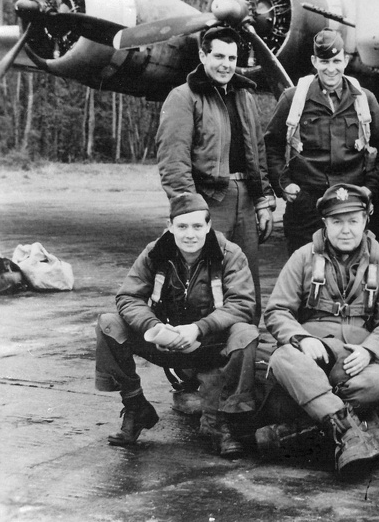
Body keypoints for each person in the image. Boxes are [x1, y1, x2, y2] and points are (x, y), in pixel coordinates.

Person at [94, 193, 259, 458]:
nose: (189, 234)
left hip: (209, 344)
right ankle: (136, 407)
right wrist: (153, 327)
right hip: (164, 340)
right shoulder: (155, 252)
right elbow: (128, 296)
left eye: (197, 226)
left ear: (208, 226)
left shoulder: (230, 254)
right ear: (170, 226)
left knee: (246, 334)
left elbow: (243, 304)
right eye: (182, 227)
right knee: (109, 324)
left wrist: (198, 328)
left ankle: (226, 423)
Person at [262, 184, 379, 478]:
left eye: (353, 221)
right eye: (337, 221)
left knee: (378, 384)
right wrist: (301, 338)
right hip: (308, 360)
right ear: (324, 224)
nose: (346, 230)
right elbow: (277, 311)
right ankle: (356, 431)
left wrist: (369, 350)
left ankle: (301, 431)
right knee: (281, 358)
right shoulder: (303, 258)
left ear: (366, 220)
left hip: (352, 363)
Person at [156, 26, 275, 321]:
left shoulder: (245, 96)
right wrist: (190, 212)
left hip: (245, 198)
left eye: (232, 57)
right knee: (205, 279)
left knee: (245, 279)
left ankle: (247, 347)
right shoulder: (183, 97)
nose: (226, 64)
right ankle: (204, 351)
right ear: (202, 55)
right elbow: (173, 162)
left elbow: (256, 152)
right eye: (219, 55)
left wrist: (263, 201)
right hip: (207, 201)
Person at [265, 28, 379, 254]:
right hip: (307, 205)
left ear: (346, 60)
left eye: (336, 61)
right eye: (324, 61)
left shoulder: (364, 100)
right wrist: (283, 184)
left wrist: (370, 187)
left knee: (355, 274)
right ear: (314, 61)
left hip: (353, 201)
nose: (331, 68)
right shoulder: (293, 99)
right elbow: (271, 145)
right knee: (306, 273)